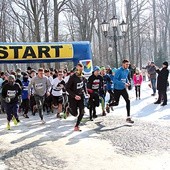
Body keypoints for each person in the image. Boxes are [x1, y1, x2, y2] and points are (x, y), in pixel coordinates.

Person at [110, 59, 134, 123]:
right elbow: (115, 80)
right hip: (117, 89)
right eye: (126, 64)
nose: (127, 65)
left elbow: (125, 78)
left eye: (128, 64)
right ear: (123, 64)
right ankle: (108, 105)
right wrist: (123, 83)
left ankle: (128, 117)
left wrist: (128, 82)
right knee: (116, 103)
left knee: (128, 101)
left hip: (123, 89)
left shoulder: (127, 70)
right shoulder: (118, 71)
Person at [66, 63, 89, 131]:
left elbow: (84, 85)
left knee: (82, 112)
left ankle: (77, 126)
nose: (80, 71)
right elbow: (67, 88)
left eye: (81, 70)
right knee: (75, 114)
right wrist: (74, 96)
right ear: (76, 70)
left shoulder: (82, 76)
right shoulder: (72, 77)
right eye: (79, 70)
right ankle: (68, 109)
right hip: (73, 97)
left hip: (81, 96)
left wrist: (86, 93)